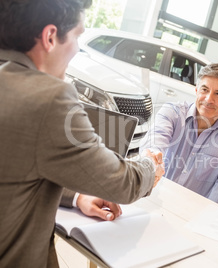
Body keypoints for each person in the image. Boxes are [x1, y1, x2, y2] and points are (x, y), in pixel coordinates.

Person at [0, 1, 164, 267]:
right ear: (50, 36)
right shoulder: (49, 98)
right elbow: (124, 183)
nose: (78, 48)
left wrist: (76, 197)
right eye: (77, 36)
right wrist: (150, 165)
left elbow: (15, 169)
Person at [140, 63, 218, 207]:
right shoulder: (172, 113)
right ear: (196, 90)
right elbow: (155, 140)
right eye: (205, 89)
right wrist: (152, 157)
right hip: (152, 199)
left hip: (191, 214)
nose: (209, 99)